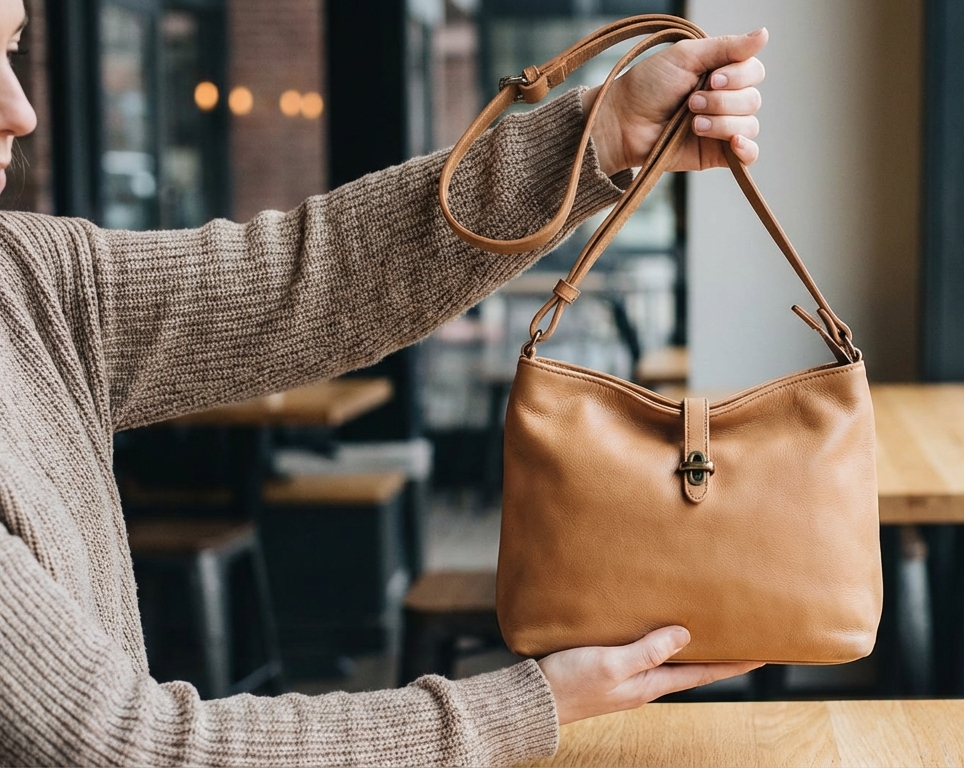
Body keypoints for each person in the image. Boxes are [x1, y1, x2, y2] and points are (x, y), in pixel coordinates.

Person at [0, 0, 769, 763]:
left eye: (13, 47)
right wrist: (528, 706)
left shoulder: (29, 279)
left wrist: (600, 133)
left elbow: (322, 276)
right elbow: (124, 750)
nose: (22, 111)